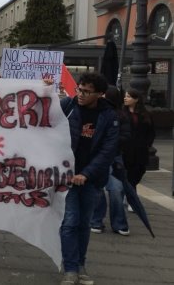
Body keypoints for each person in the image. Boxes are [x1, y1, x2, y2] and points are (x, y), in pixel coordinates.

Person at [59, 72, 120, 285]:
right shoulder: (69, 105)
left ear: (100, 94)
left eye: (86, 91)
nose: (81, 94)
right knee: (70, 222)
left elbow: (107, 150)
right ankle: (70, 269)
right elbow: (42, 112)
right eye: (79, 89)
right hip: (66, 177)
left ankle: (80, 264)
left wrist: (86, 174)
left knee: (84, 223)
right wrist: (44, 89)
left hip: (91, 179)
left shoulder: (109, 116)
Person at [90, 86, 131, 236]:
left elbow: (126, 137)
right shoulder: (96, 112)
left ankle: (118, 223)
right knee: (97, 190)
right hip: (99, 156)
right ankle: (96, 220)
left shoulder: (121, 116)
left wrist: (110, 141)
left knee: (116, 190)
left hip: (113, 157)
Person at [122, 88, 155, 196]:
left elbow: (151, 131)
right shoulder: (122, 113)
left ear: (136, 99)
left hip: (141, 150)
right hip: (126, 150)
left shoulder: (146, 114)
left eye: (128, 96)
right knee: (128, 175)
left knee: (139, 172)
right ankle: (131, 197)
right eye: (125, 96)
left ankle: (129, 194)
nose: (125, 98)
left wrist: (148, 144)